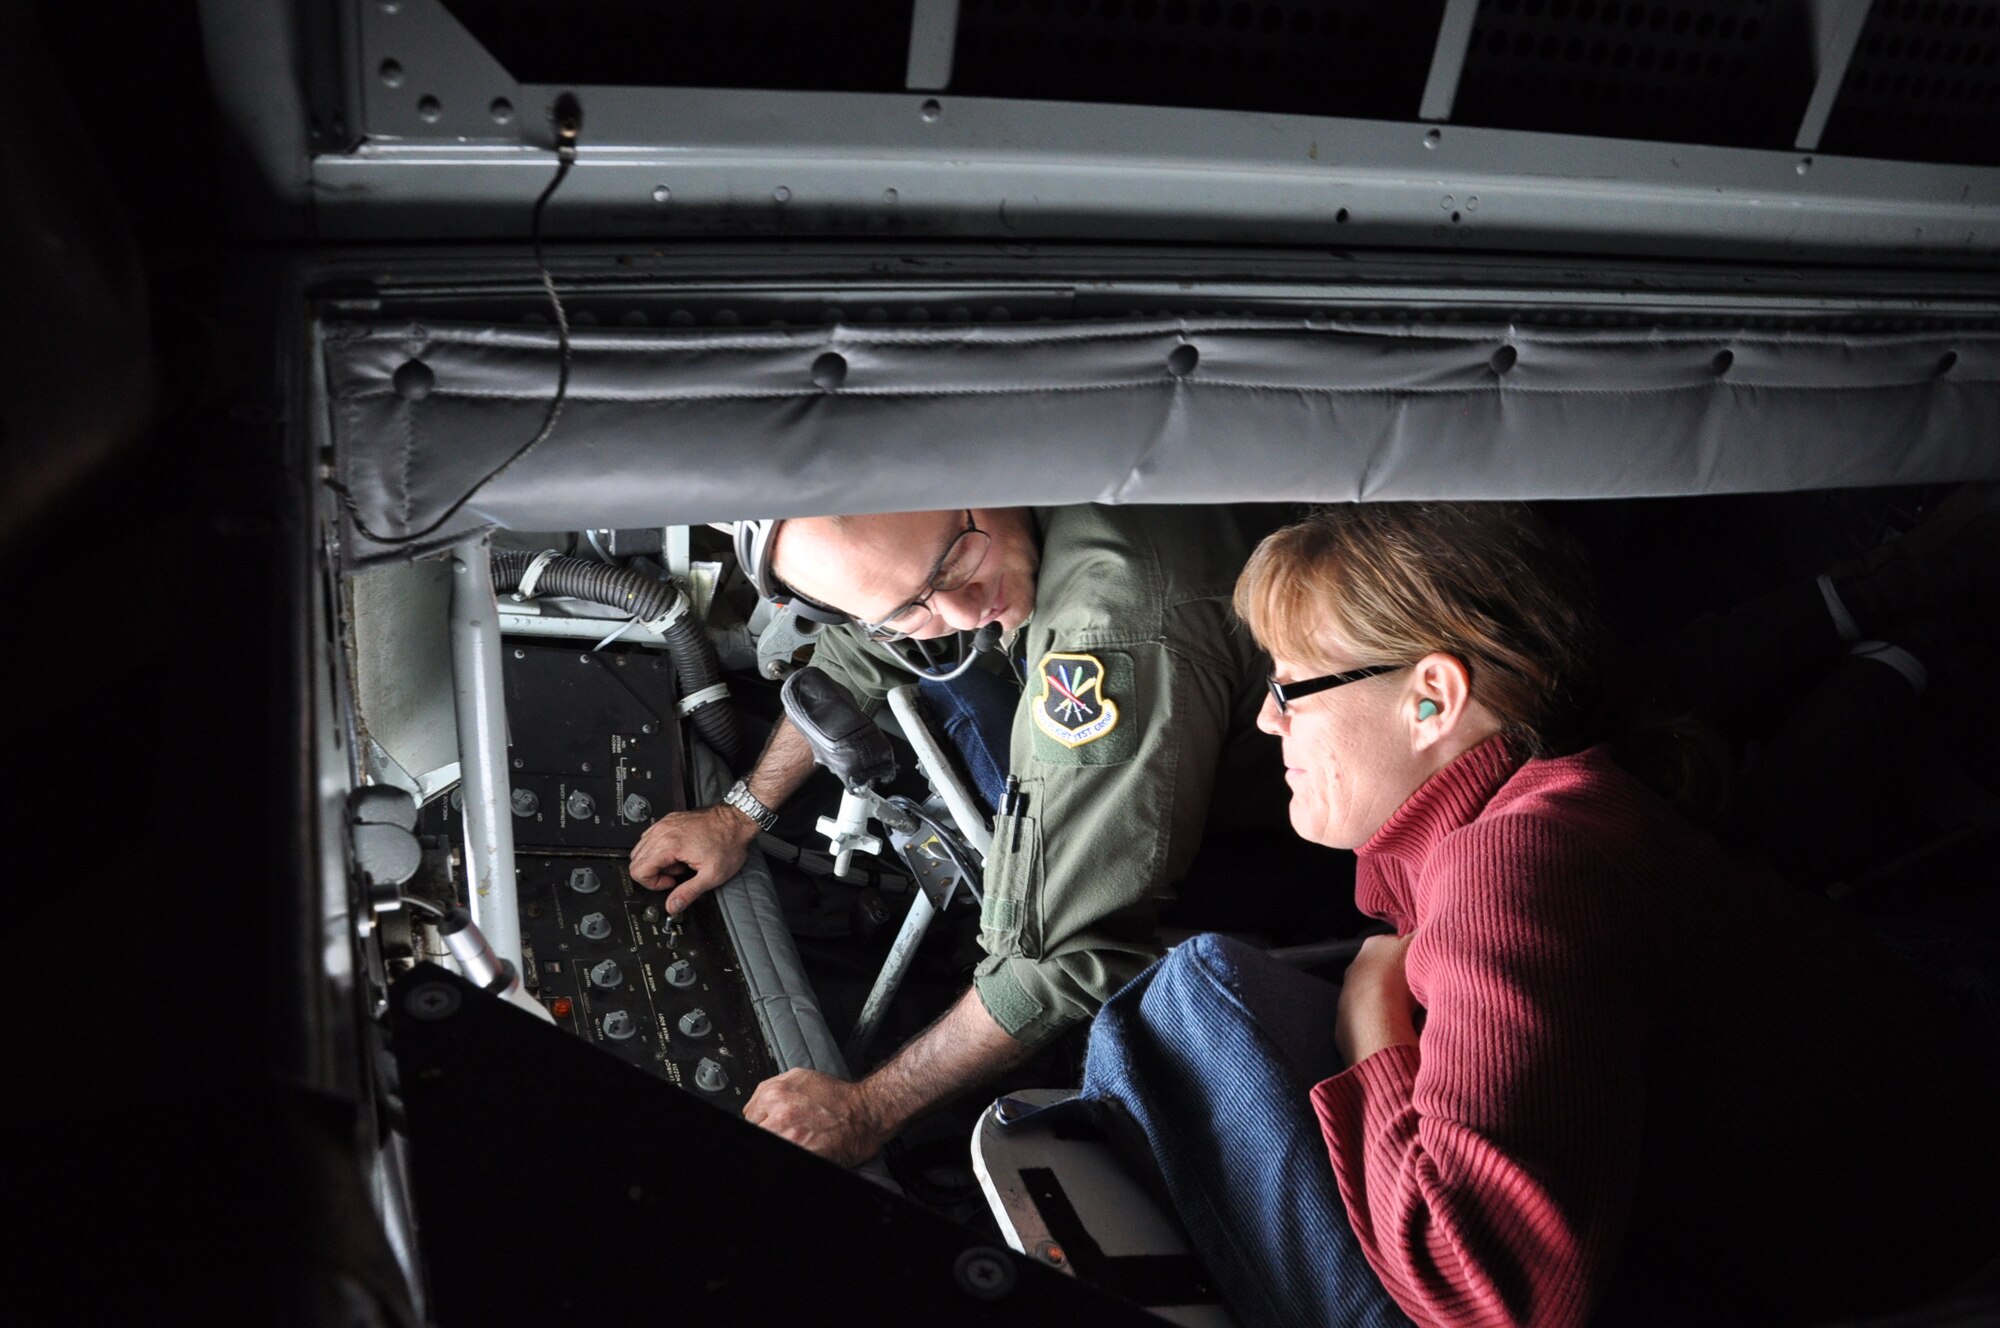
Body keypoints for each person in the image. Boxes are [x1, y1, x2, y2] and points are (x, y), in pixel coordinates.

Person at [1072, 502, 1999, 1328]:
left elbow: (1492, 1295)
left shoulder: (1516, 865)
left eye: (1289, 687)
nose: (1268, 722)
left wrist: (1370, 1026)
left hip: (1921, 1228)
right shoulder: (1523, 816)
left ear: (1432, 700)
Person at [628, 504, 1284, 1165]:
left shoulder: (1110, 633)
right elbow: (857, 653)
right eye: (908, 609)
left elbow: (1062, 959)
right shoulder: (959, 525)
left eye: (954, 563)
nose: (965, 613)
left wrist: (867, 1110)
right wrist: (737, 816)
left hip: (1264, 843)